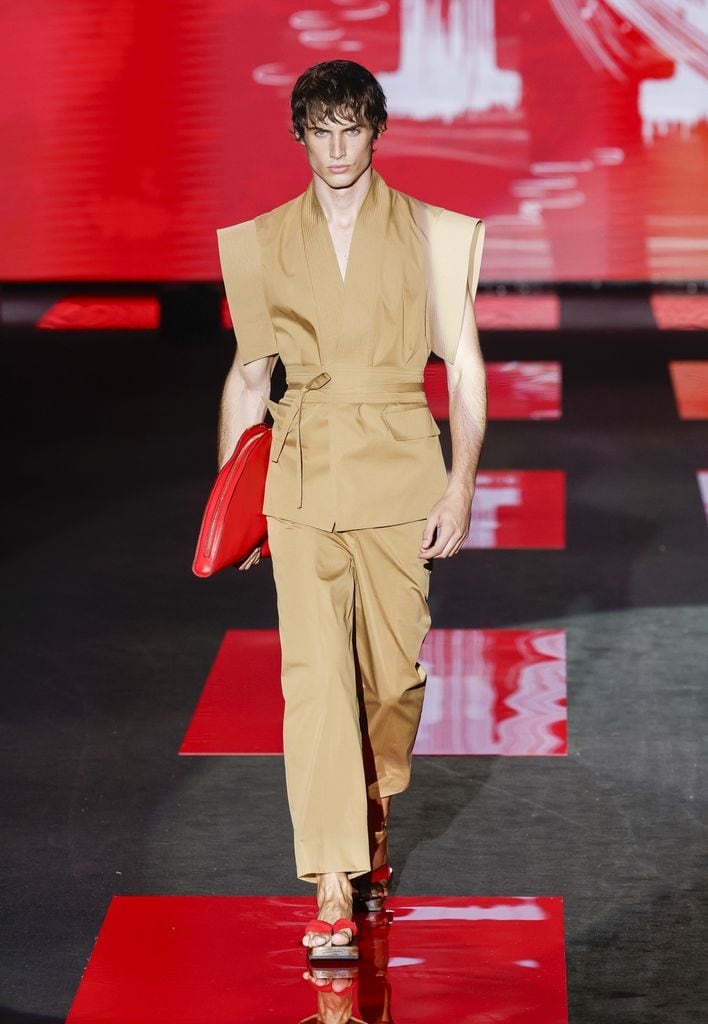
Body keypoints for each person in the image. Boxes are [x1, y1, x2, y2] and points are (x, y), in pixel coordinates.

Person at [215, 59, 487, 957]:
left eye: (351, 129)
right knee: (315, 681)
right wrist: (236, 501)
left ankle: (370, 806)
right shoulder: (259, 241)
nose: (336, 148)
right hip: (301, 477)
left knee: (392, 682)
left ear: (377, 131)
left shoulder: (436, 235)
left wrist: (461, 484)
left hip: (403, 474)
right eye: (319, 131)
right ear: (300, 137)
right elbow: (250, 376)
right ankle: (332, 881)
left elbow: (466, 366)